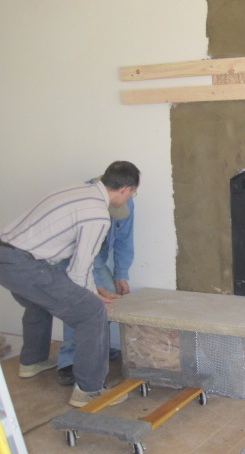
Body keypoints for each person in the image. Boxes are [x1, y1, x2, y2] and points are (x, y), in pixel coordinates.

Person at [0, 161, 140, 407]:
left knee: (39, 301)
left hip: (6, 257)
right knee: (91, 313)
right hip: (25, 266)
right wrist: (91, 298)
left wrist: (91, 290)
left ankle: (32, 361)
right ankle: (89, 390)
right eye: (133, 194)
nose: (131, 198)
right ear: (125, 189)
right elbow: (79, 268)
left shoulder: (74, 190)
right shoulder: (98, 215)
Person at [56, 176, 135, 386]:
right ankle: (70, 361)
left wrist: (121, 274)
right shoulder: (83, 201)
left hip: (96, 260)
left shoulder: (127, 200)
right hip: (70, 260)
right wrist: (96, 286)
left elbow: (124, 239)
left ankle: (97, 349)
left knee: (109, 302)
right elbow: (79, 258)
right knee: (80, 303)